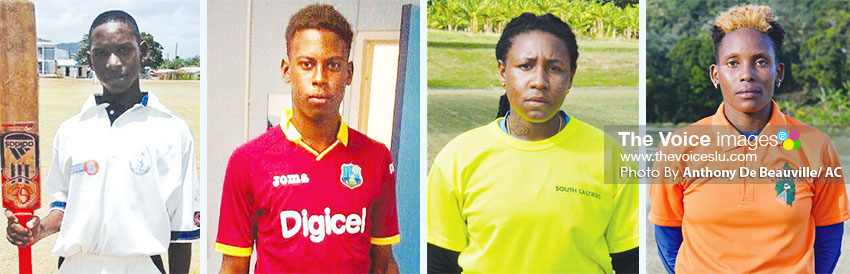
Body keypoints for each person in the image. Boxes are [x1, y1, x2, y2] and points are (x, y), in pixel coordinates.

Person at [427, 13, 639, 273]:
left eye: (555, 68)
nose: (539, 81)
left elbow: (631, 261)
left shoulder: (611, 155)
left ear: (571, 77)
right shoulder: (457, 157)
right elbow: (438, 262)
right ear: (503, 72)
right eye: (526, 66)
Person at [650, 5, 849, 273]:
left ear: (778, 73)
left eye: (761, 61)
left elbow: (828, 236)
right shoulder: (679, 147)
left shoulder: (816, 146)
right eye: (733, 62)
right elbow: (667, 232)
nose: (747, 74)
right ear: (715, 75)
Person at [5, 10, 198, 274]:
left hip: (141, 265)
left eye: (123, 50)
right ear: (89, 59)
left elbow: (180, 231)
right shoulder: (71, 129)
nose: (113, 62)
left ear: (143, 51)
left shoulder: (173, 131)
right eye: (101, 53)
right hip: (77, 265)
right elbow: (63, 207)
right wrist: (36, 230)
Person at [214, 4, 400, 273]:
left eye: (333, 65)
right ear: (287, 69)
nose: (320, 78)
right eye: (307, 64)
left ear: (349, 73)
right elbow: (233, 267)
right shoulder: (247, 161)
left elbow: (383, 264)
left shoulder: (376, 157)